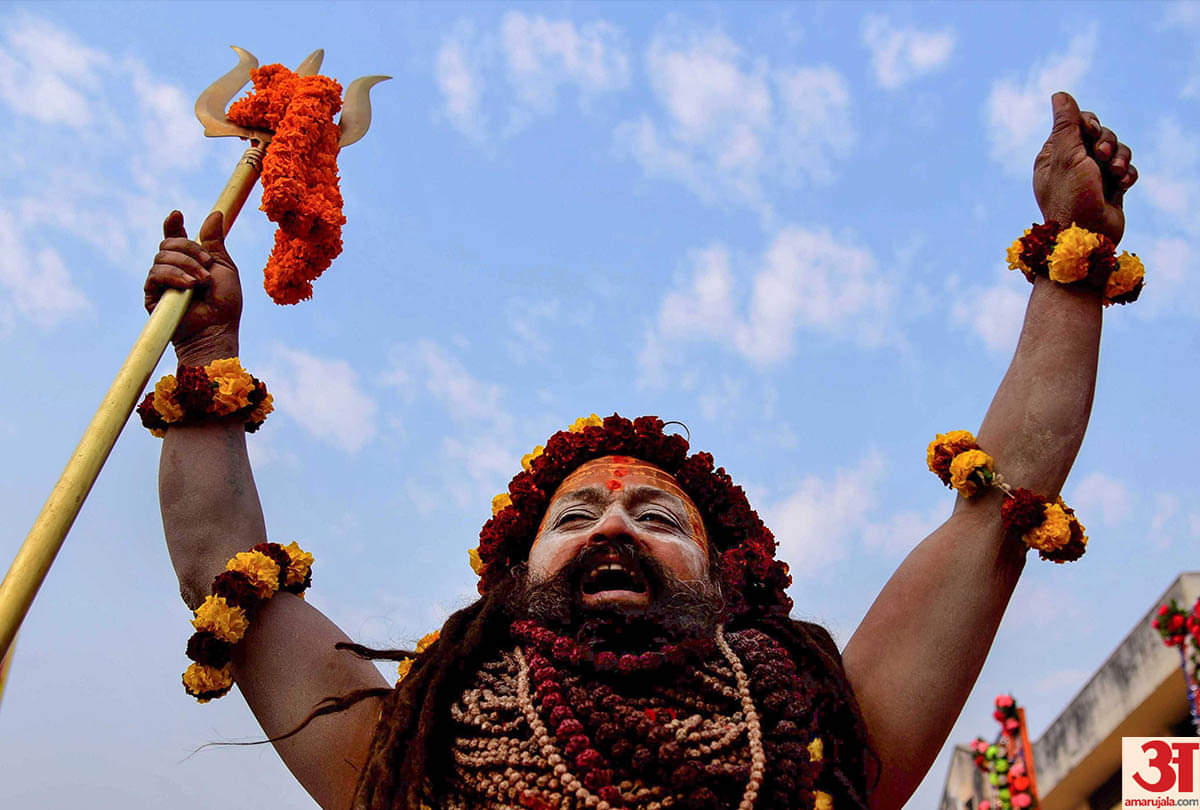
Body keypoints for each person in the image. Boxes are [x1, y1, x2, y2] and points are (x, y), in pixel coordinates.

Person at [142, 92, 1138, 810]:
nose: (612, 521)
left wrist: (1069, 264)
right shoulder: (409, 752)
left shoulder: (819, 735)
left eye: (657, 518)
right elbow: (226, 573)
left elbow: (997, 511)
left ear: (725, 572)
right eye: (574, 517)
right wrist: (206, 355)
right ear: (512, 574)